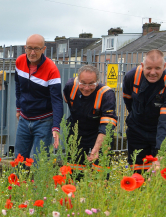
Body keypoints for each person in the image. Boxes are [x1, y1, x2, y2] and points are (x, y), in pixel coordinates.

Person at [14, 34, 63, 162]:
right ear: (25, 48)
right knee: (18, 160)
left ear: (44, 49)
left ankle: (37, 183)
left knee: (39, 162)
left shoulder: (52, 70)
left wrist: (56, 127)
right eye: (29, 48)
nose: (32, 52)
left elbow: (57, 100)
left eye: (36, 48)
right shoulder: (19, 62)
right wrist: (18, 107)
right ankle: (19, 182)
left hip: (44, 121)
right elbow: (18, 86)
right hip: (24, 119)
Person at [63, 65, 117, 166]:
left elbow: (107, 125)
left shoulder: (107, 94)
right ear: (78, 80)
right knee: (74, 170)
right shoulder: (70, 86)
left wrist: (96, 148)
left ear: (98, 81)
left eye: (91, 84)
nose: (86, 88)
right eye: (83, 83)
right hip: (76, 131)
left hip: (99, 133)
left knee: (101, 170)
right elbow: (66, 99)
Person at [123, 49, 166, 171]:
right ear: (142, 66)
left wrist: (161, 151)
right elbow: (129, 102)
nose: (152, 73)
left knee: (159, 170)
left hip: (160, 130)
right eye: (148, 68)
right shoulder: (131, 77)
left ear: (164, 66)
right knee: (137, 170)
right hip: (137, 130)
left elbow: (164, 121)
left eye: (157, 68)